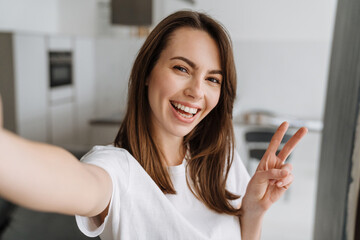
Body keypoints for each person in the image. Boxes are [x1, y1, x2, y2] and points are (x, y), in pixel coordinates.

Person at [0, 10, 307, 240]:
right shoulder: (118, 170)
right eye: (181, 68)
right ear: (147, 72)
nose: (197, 91)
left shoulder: (222, 161)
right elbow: (69, 180)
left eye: (212, 79)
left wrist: (254, 213)